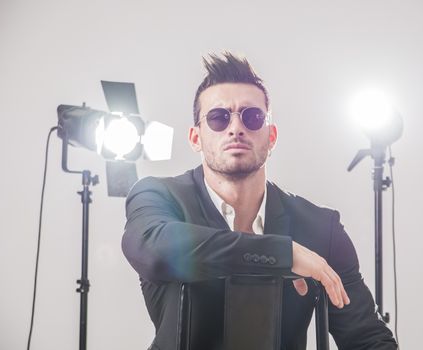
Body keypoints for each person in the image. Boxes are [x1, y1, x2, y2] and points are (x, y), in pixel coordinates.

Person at [122, 52, 397, 349]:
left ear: (272, 136)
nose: (236, 128)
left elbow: (366, 338)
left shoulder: (319, 228)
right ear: (195, 138)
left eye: (253, 117)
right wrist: (284, 253)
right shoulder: (160, 198)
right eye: (218, 117)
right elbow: (155, 251)